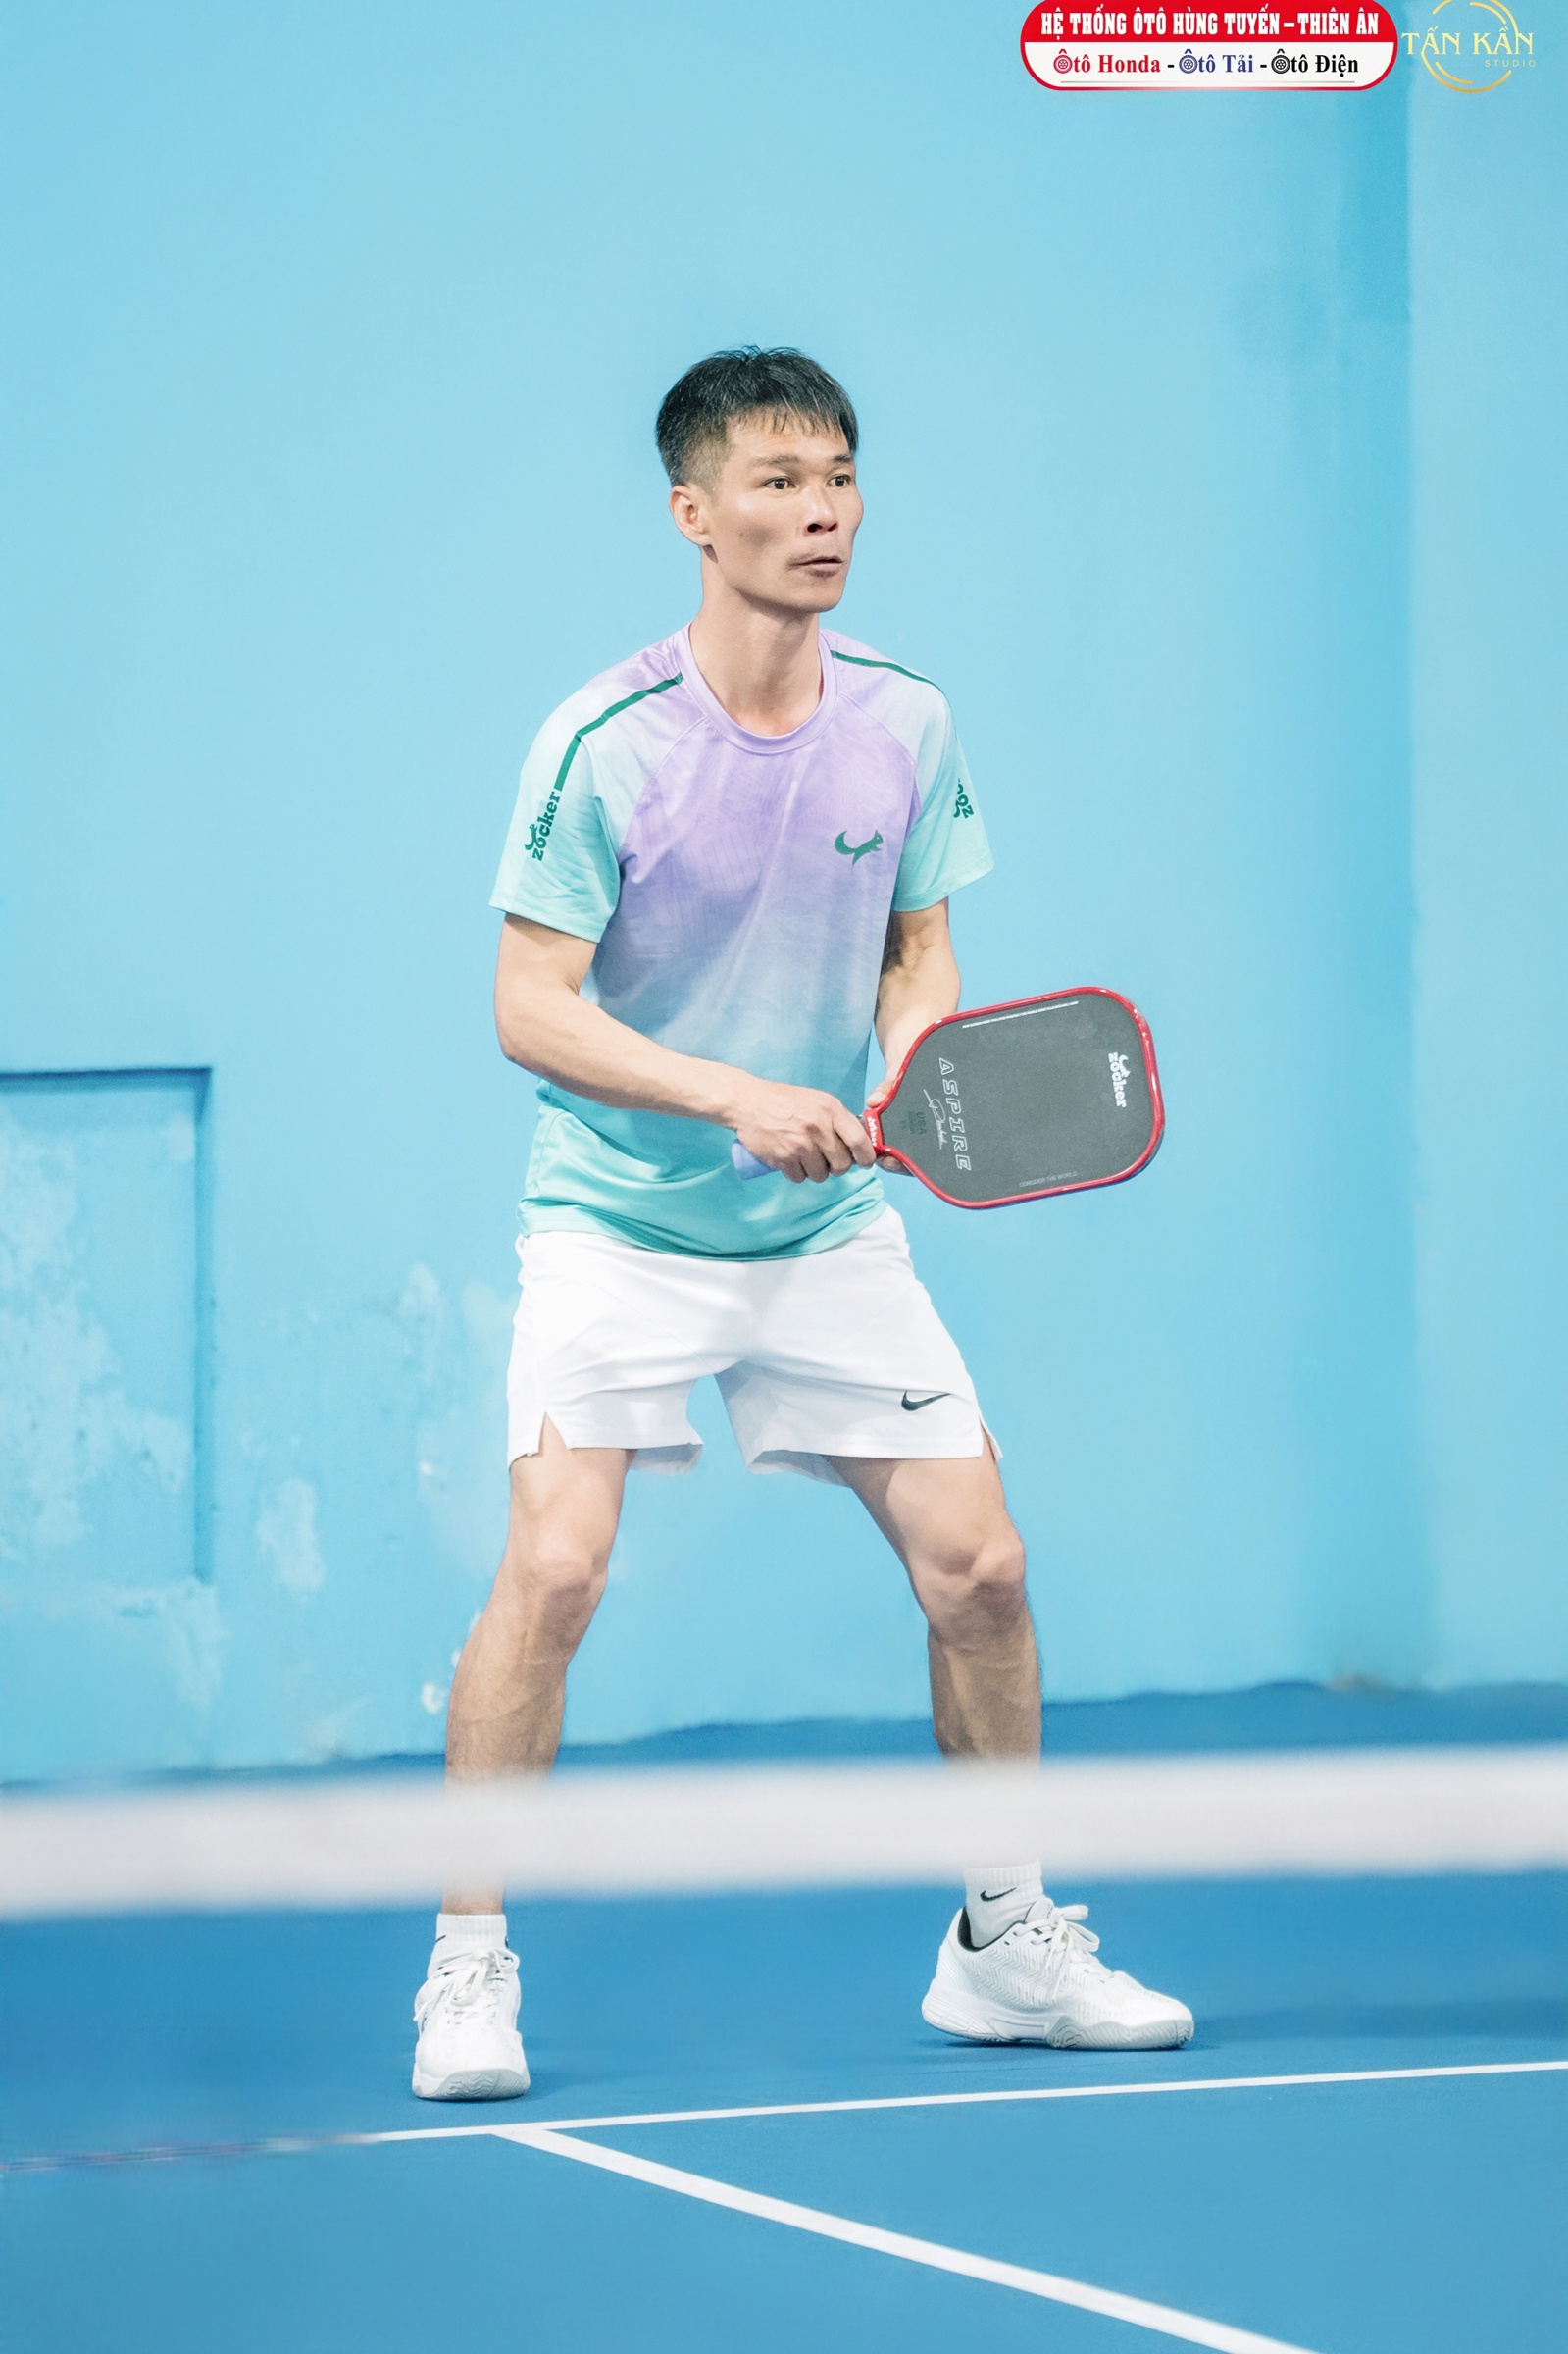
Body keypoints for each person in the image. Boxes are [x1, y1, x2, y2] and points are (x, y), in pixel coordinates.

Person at [411, 348, 1192, 2100]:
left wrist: (910, 1064)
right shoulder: (604, 743)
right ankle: (465, 1965)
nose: (821, 511)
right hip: (618, 1224)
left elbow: (920, 952)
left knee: (983, 1570)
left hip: (826, 1235)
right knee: (555, 1569)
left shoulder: (907, 720)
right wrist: (735, 1099)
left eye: (838, 477)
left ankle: (1005, 1944)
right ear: (694, 514)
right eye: (776, 482)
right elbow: (527, 1009)